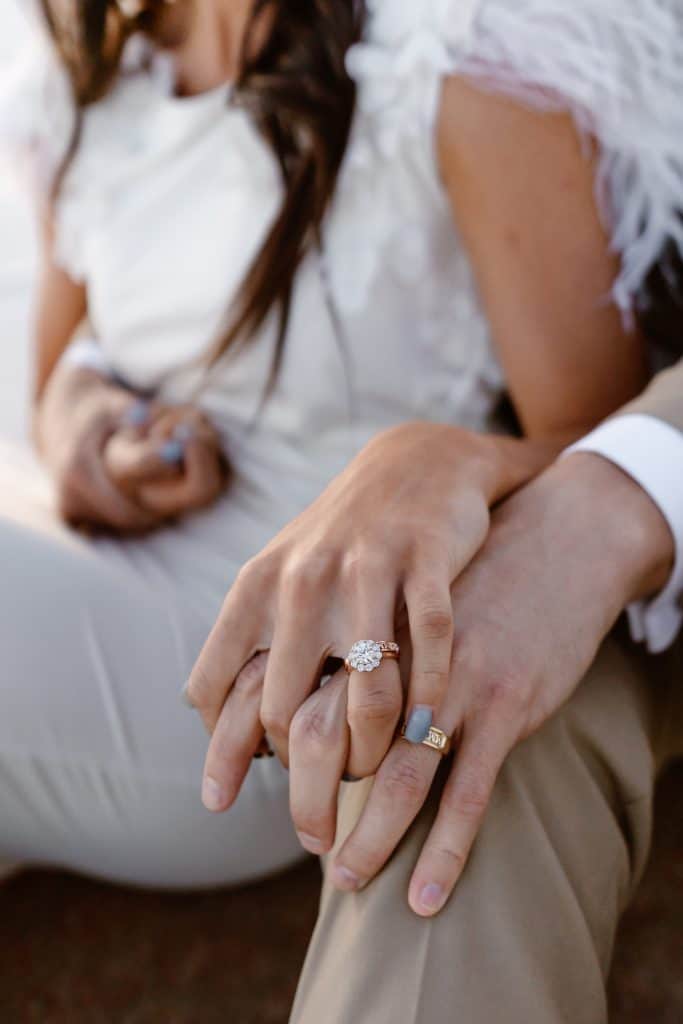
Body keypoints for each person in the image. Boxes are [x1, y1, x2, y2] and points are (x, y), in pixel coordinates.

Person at [0, 0, 681, 1020]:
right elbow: (58, 368)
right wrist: (89, 424)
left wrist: (422, 463)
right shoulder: (101, 51)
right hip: (82, 547)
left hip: (260, 653)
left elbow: (589, 452)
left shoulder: (462, 53)